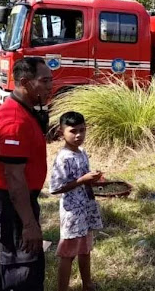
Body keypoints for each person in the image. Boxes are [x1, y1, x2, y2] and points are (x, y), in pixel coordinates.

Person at [0, 57, 52, 290]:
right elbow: (14, 177)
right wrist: (29, 224)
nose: (49, 86)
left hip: (15, 202)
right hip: (10, 205)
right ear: (24, 82)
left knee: (6, 267)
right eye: (44, 80)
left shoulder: (24, 110)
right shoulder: (14, 120)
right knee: (23, 272)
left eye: (50, 80)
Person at [50, 112, 103, 291]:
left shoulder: (82, 153)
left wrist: (93, 179)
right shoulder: (63, 158)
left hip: (85, 208)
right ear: (61, 132)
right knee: (68, 253)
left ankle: (87, 284)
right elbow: (56, 187)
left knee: (85, 249)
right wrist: (82, 180)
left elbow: (84, 179)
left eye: (82, 130)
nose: (78, 135)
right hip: (72, 211)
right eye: (73, 131)